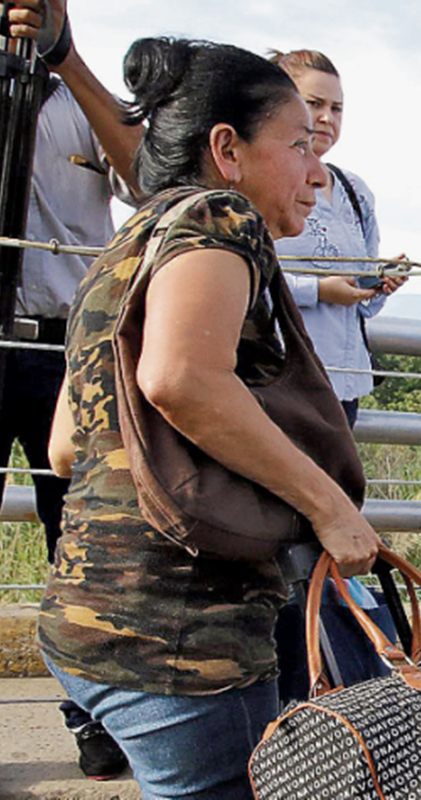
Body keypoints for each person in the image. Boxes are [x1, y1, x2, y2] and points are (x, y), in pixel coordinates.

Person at [40, 37, 380, 799]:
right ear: (226, 149)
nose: (317, 172)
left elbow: (67, 446)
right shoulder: (220, 217)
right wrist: (330, 509)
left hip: (83, 620)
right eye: (298, 146)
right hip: (181, 638)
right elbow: (183, 379)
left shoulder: (123, 247)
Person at [4, 0, 141, 780]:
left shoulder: (81, 91)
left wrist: (65, 57)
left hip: (68, 346)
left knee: (86, 542)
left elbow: (144, 171)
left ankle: (94, 717)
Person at [268, 49, 402, 429]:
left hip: (344, 381)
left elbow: (360, 301)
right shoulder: (258, 180)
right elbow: (241, 277)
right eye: (314, 104)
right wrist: (318, 290)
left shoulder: (354, 190)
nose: (327, 118)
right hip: (279, 375)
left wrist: (378, 283)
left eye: (337, 108)